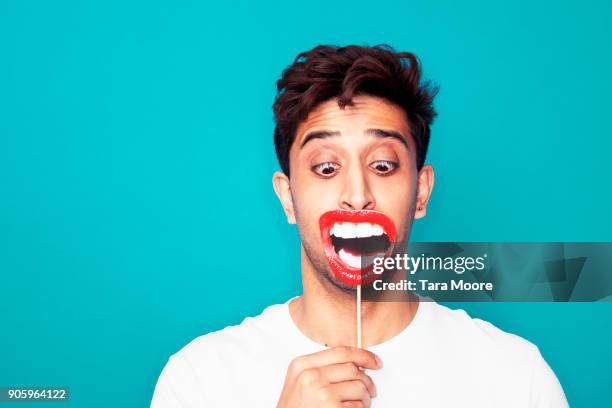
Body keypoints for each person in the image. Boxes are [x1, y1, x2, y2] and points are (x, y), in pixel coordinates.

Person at [151, 44, 568, 407]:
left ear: (420, 193)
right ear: (288, 197)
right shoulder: (199, 380)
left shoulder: (515, 376)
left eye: (383, 165)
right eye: (326, 167)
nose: (356, 194)